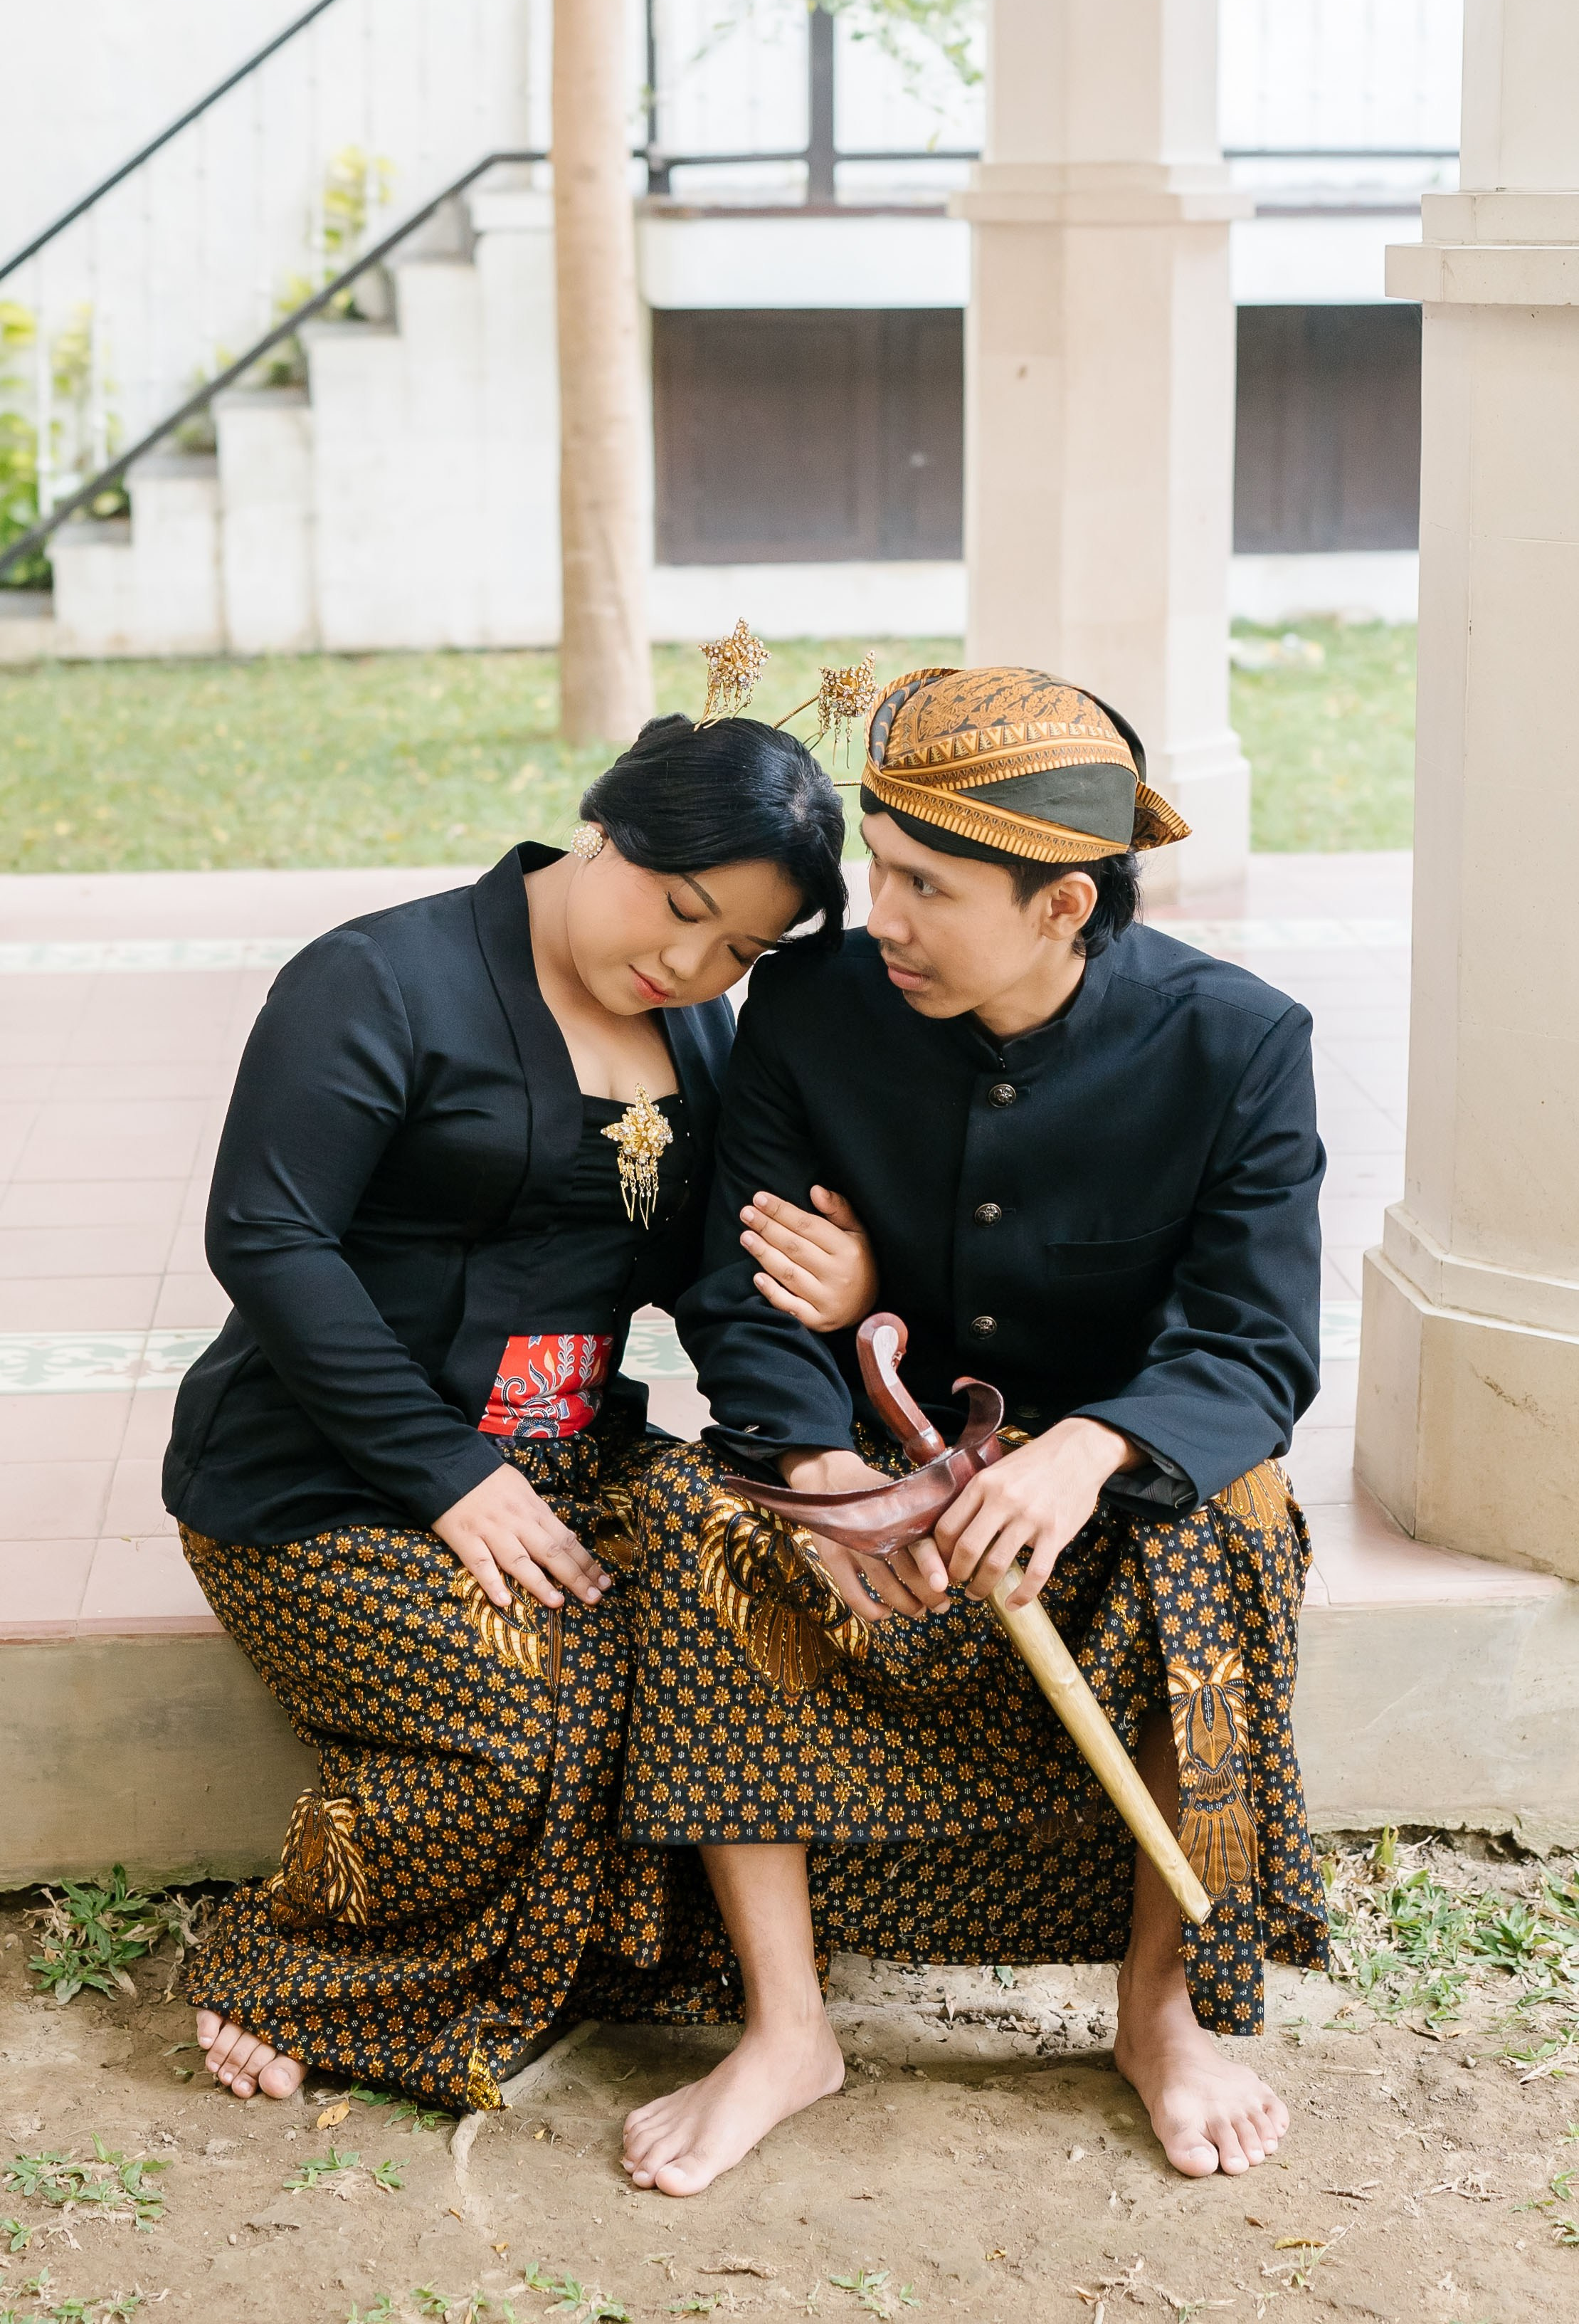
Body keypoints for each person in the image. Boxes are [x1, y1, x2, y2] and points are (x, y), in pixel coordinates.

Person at [616, 665, 1329, 2193]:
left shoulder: (1238, 1044)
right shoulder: (808, 1006)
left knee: (1237, 1521)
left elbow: (1254, 1344)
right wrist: (818, 1464)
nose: (877, 914)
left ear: (1064, 905)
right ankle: (786, 2028)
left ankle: (1161, 2015)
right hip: (875, 1458)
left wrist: (1092, 1447)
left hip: (1107, 1482)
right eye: (878, 867)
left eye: (926, 886)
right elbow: (743, 1288)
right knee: (693, 1514)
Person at [169, 708, 879, 2111]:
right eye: (682, 909)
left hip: (571, 1458)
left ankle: (718, 1995)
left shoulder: (697, 1026)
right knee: (517, 1724)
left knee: (756, 1595)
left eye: (738, 951)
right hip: (328, 1472)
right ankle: (308, 1961)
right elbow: (268, 1235)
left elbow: (715, 1273)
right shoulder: (378, 978)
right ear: (603, 827)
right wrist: (447, 1471)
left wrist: (825, 1393)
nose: (692, 965)